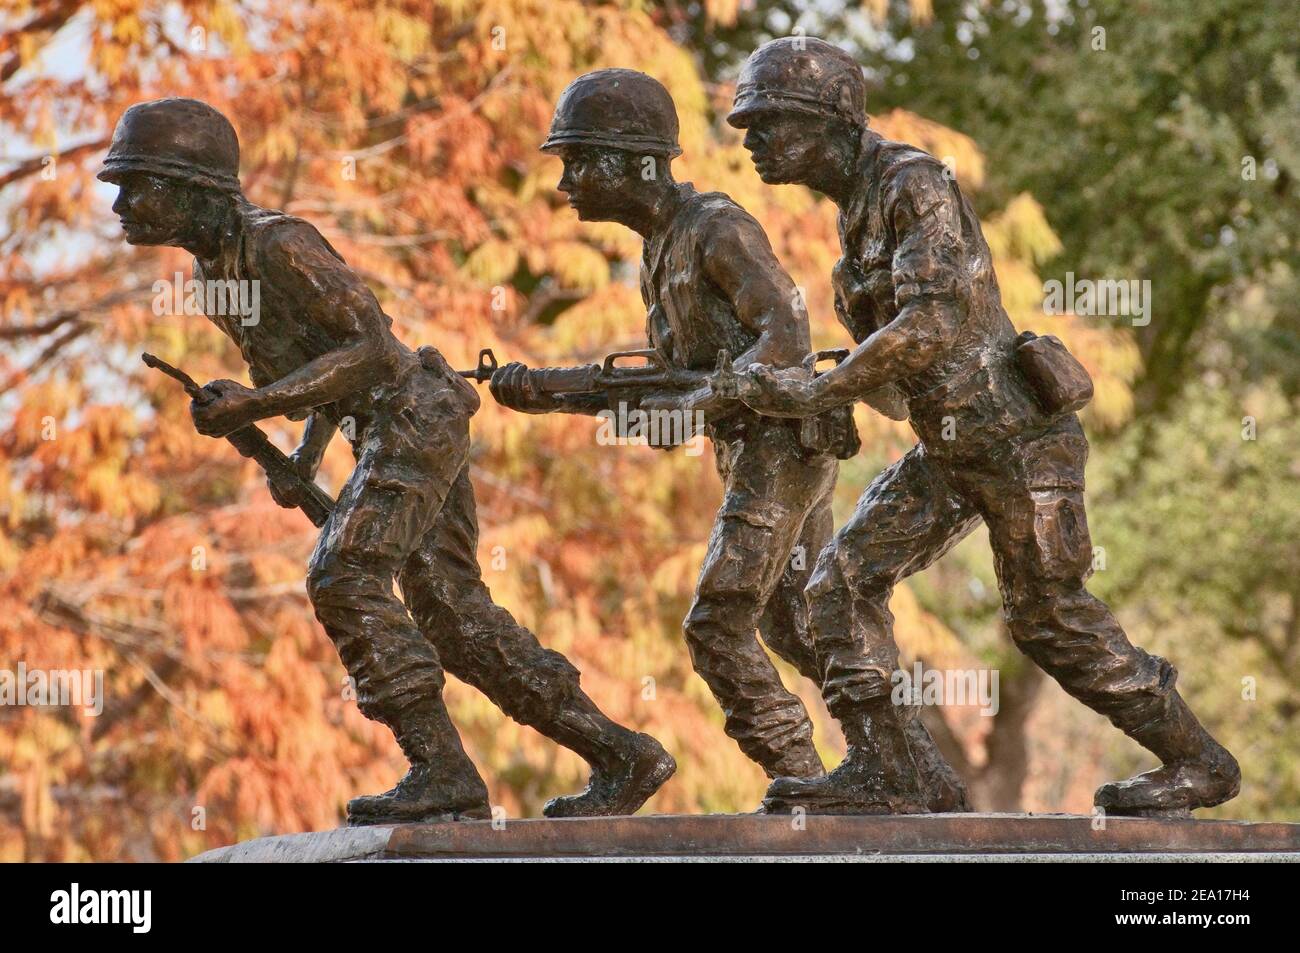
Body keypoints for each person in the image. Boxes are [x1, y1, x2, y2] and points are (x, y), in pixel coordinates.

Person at [100, 97, 673, 823]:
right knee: (457, 620)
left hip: (415, 414)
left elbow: (368, 347)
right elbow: (314, 371)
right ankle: (624, 753)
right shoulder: (214, 275)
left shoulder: (278, 244)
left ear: (191, 187)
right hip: (387, 429)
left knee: (343, 575)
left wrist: (252, 405)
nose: (119, 203)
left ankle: (441, 768)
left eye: (135, 183)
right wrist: (298, 457)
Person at [720, 38, 1240, 816]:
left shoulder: (913, 183)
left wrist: (821, 389)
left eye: (768, 122)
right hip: (952, 447)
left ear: (832, 117)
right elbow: (899, 381)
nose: (751, 141)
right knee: (838, 582)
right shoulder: (852, 219)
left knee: (1049, 617)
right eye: (746, 125)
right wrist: (814, 389)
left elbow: (932, 320)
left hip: (1019, 441)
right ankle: (895, 771)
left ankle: (1200, 762)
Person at [490, 71, 965, 811]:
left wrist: (702, 399)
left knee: (717, 623)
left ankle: (801, 777)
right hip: (757, 447)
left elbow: (786, 336)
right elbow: (660, 380)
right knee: (793, 621)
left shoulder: (715, 228)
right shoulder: (660, 247)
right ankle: (905, 770)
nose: (565, 183)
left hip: (782, 444)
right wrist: (547, 389)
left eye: (579, 161)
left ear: (633, 162)